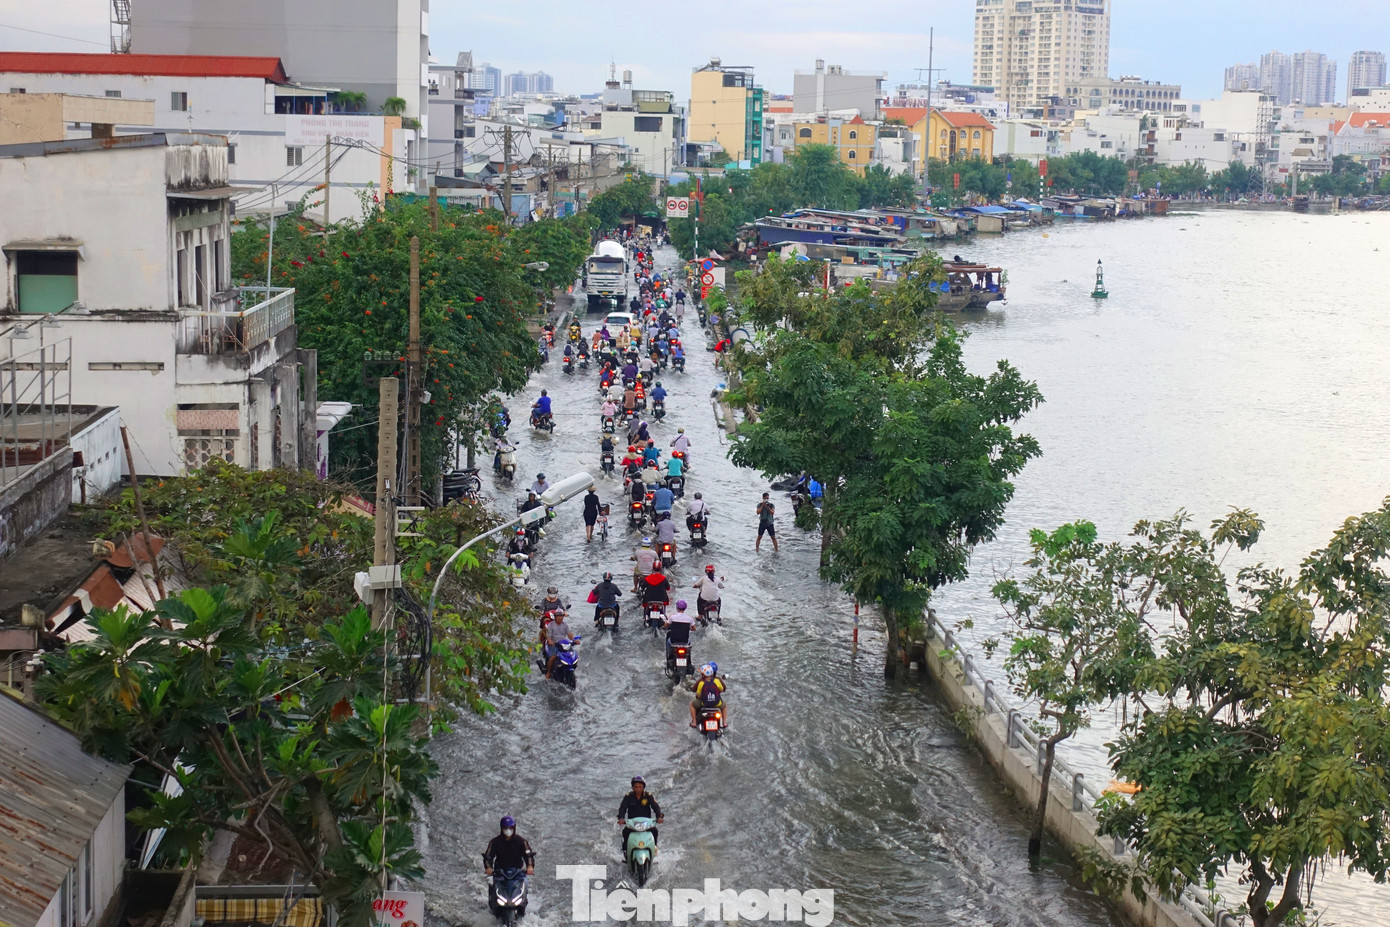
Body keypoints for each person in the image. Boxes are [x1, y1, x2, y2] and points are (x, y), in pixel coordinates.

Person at [618, 777, 663, 851]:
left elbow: (656, 807)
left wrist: (659, 817)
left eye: (640, 787)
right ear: (633, 787)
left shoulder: (648, 796)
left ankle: (654, 848)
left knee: (655, 831)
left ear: (643, 787)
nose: (638, 789)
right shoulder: (628, 796)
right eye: (636, 787)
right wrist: (621, 818)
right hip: (632, 824)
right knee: (625, 832)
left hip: (646, 824)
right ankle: (625, 850)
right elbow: (622, 808)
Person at [690, 662, 727, 729]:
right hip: (717, 704)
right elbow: (722, 690)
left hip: (704, 704)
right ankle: (724, 723)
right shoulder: (717, 681)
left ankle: (694, 722)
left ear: (702, 674)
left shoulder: (701, 682)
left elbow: (698, 695)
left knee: (691, 704)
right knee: (724, 706)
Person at [542, 610, 575, 678]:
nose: (560, 618)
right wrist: (550, 641)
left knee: (572, 655)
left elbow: (570, 635)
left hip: (563, 644)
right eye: (558, 616)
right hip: (554, 644)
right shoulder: (551, 625)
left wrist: (574, 640)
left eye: (562, 616)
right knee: (553, 656)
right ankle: (548, 672)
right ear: (555, 617)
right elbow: (548, 636)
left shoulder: (565, 625)